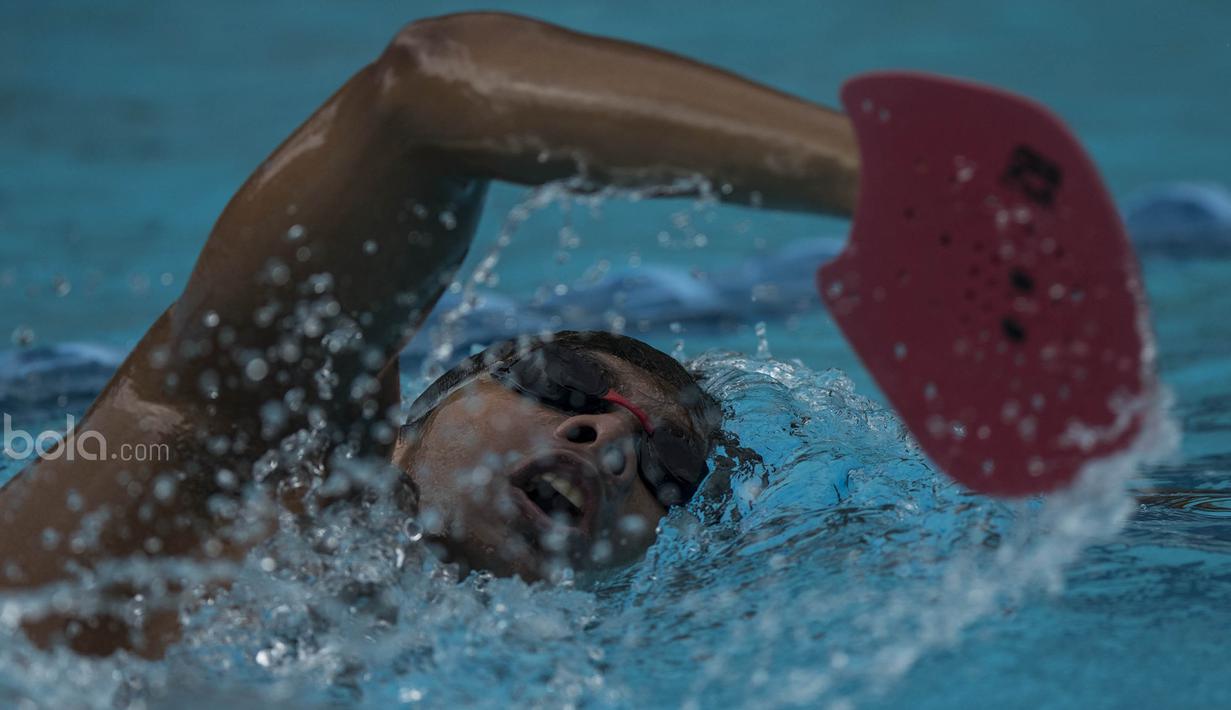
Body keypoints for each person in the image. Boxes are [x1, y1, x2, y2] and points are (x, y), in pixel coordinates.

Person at [0, 12, 858, 657]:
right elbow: (423, 97)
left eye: (667, 472)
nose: (605, 439)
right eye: (561, 382)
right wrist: (892, 183)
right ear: (419, 412)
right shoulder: (220, 471)